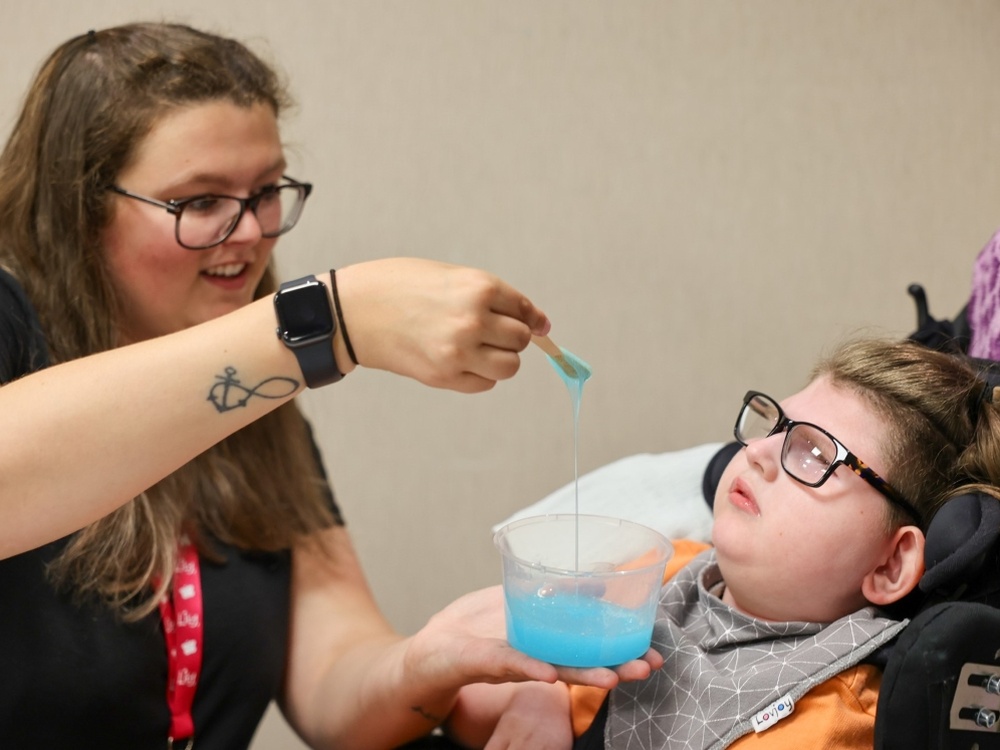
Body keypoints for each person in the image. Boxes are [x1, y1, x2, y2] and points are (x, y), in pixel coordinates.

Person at [0, 23, 661, 750]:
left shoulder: (256, 401)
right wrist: (332, 324)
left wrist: (428, 662)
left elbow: (330, 681)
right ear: (78, 210)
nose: (250, 233)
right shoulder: (14, 328)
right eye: (200, 202)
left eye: (266, 192)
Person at [443, 337, 1000, 749]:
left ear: (890, 562)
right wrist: (537, 693)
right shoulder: (667, 575)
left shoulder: (834, 720)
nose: (758, 452)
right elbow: (462, 709)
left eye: (812, 453)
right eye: (775, 425)